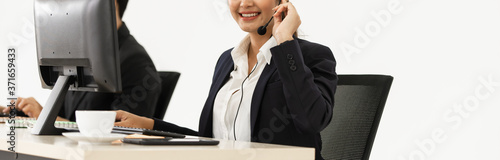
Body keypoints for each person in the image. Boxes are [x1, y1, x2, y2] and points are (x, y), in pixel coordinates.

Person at [114, 0, 337, 159]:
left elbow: (311, 121)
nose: (245, 3)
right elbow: (212, 142)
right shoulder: (227, 60)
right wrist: (148, 125)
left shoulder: (311, 57)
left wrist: (285, 41)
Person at [1, 0, 161, 121]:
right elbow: (63, 118)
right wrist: (26, 113)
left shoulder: (136, 62)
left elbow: (119, 134)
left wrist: (45, 116)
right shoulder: (80, 54)